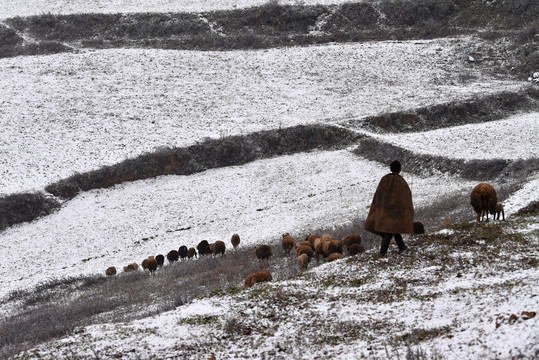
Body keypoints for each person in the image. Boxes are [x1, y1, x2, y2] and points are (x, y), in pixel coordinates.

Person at [364, 160, 414, 255]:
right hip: (396, 213)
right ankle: (383, 253)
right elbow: (406, 198)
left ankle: (401, 246)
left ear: (390, 169)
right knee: (390, 231)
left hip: (384, 212)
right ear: (400, 169)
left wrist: (378, 209)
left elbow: (378, 195)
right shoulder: (401, 182)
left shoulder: (384, 180)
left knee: (392, 230)